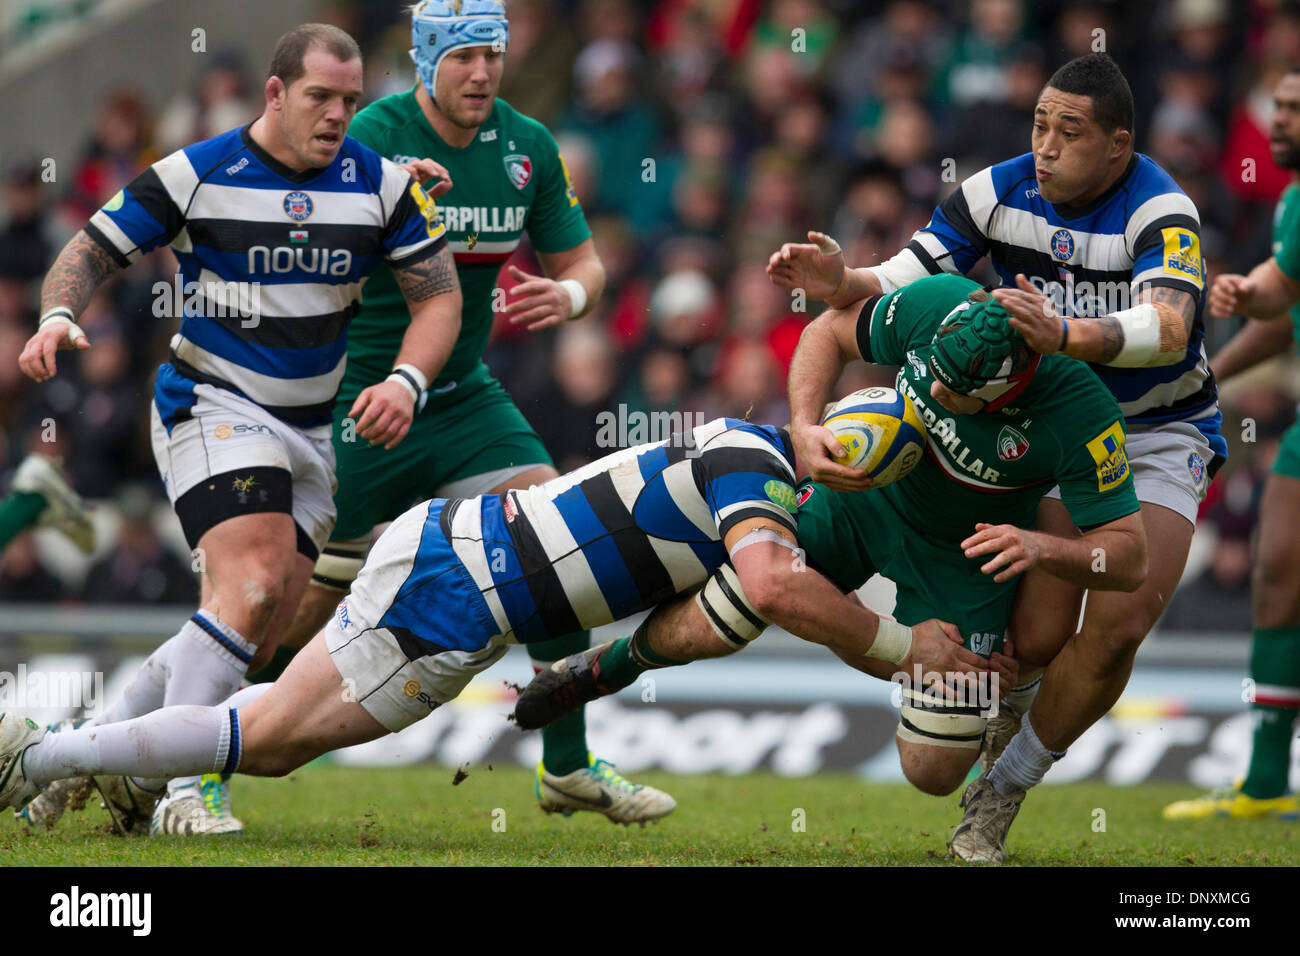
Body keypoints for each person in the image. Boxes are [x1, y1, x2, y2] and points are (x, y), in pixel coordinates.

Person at [0, 412, 999, 821]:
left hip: (452, 558)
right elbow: (777, 585)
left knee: (261, 728)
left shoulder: (740, 452)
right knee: (254, 740)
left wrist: (901, 660)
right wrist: (909, 644)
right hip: (458, 590)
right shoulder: (756, 474)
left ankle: (82, 759)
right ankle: (37, 756)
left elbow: (736, 606)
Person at [767, 53, 1221, 862]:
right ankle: (1006, 695)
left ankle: (1002, 791)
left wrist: (1071, 337)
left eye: (1069, 132)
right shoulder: (995, 188)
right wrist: (843, 279)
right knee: (1038, 639)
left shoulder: (1162, 210)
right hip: (1039, 426)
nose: (1045, 145)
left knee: (1119, 620)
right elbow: (905, 274)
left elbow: (1172, 324)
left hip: (1154, 427)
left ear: (1118, 145)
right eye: (1039, 124)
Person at [14, 23, 462, 837]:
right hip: (213, 403)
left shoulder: (383, 186)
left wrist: (407, 378)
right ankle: (184, 790)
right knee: (251, 584)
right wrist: (54, 315)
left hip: (313, 431)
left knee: (259, 632)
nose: (337, 115)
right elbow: (90, 248)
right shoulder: (197, 170)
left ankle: (73, 755)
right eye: (321, 97)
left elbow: (438, 296)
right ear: (275, 92)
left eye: (351, 100)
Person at [257, 0, 671, 823]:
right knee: (289, 602)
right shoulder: (370, 129)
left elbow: (585, 260)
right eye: (462, 58)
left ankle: (566, 765)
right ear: (423, 64)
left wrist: (573, 291)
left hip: (457, 394)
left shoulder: (528, 146)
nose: (481, 72)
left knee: (559, 541)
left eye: (493, 54)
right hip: (356, 395)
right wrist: (382, 202)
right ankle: (197, 752)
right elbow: (292, 225)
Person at [516, 274, 1147, 814]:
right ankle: (608, 668)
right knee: (753, 597)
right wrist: (806, 426)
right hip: (860, 492)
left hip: (969, 547)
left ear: (1011, 388)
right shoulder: (939, 303)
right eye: (933, 379)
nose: (935, 397)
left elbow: (1129, 557)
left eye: (956, 397)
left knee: (932, 767)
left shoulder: (1082, 411)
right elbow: (829, 331)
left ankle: (952, 680)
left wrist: (1042, 548)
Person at [1162, 68, 1300, 822]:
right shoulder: (1292, 201)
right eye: (1275, 105)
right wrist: (1212, 370)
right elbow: (1285, 305)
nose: (1275, 120)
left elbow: (1280, 292)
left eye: (1292, 109)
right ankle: (1266, 782)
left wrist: (1257, 291)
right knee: (1278, 569)